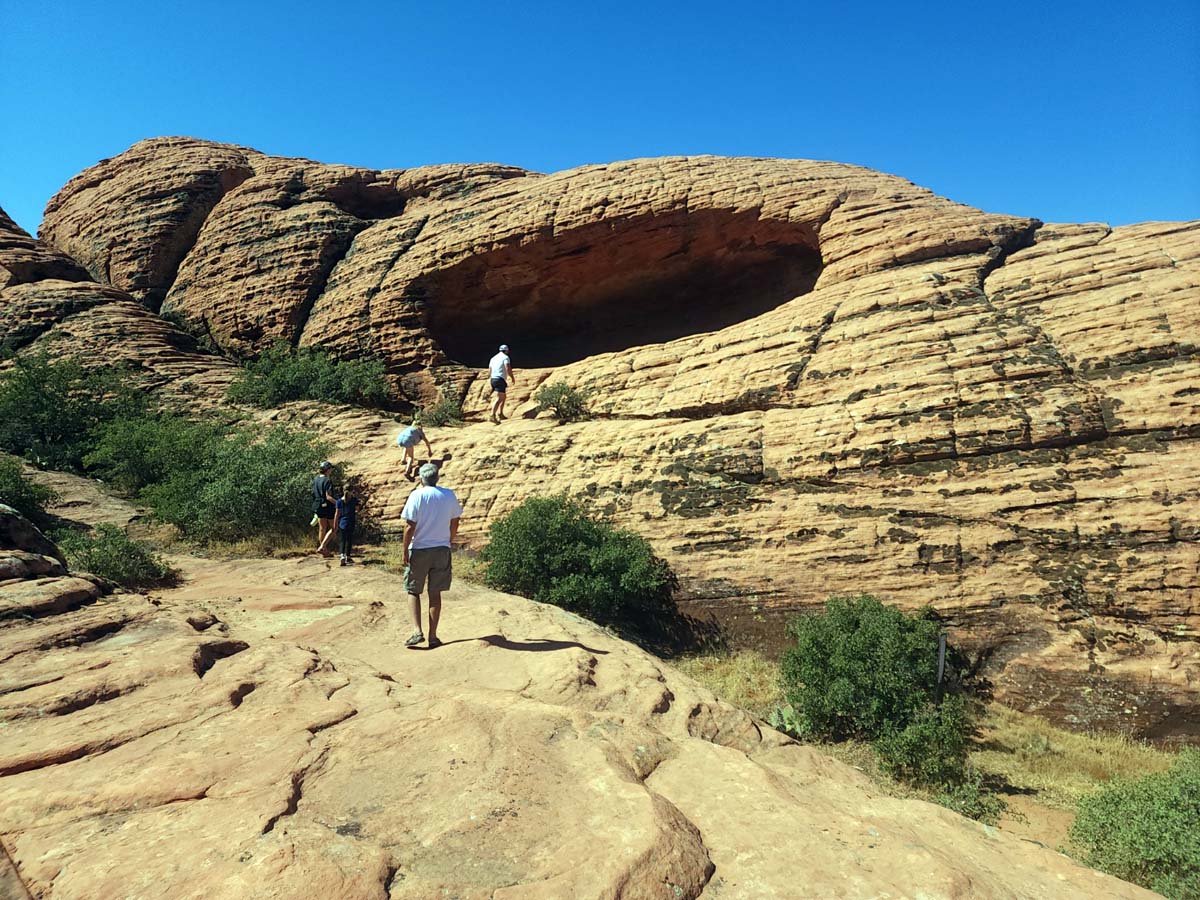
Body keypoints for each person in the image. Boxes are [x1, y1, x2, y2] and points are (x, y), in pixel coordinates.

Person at [401, 462, 462, 648]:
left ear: (421, 478)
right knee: (435, 593)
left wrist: (404, 551)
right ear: (437, 478)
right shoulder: (449, 495)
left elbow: (409, 527)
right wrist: (448, 540)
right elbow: (455, 521)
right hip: (441, 548)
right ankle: (433, 637)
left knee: (413, 590)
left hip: (419, 548)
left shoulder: (416, 495)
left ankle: (417, 631)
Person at [311, 461, 337, 557]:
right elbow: (328, 497)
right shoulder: (327, 480)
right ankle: (322, 547)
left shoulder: (315, 479)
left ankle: (324, 552)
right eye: (330, 469)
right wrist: (338, 503)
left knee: (322, 528)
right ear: (327, 469)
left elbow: (313, 493)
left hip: (317, 505)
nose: (331, 471)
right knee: (334, 528)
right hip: (327, 506)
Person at [488, 344, 515, 424]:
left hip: (493, 378)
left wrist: (491, 378)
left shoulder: (493, 358)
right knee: (500, 398)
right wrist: (512, 377)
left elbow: (490, 369)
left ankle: (500, 413)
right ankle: (492, 415)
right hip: (500, 379)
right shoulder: (505, 357)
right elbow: (507, 367)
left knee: (503, 396)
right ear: (506, 350)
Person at [334, 482, 358, 566]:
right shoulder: (354, 500)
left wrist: (335, 524)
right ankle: (348, 556)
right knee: (349, 540)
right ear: (352, 491)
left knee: (342, 540)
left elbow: (336, 514)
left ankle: (342, 556)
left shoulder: (339, 501)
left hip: (342, 523)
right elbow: (357, 508)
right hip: (351, 522)